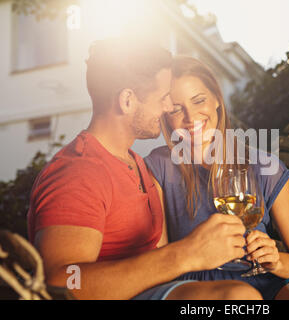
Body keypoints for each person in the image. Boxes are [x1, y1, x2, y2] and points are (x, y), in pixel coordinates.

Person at [26, 38, 264, 300]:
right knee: (237, 299)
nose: (166, 108)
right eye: (163, 98)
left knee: (241, 296)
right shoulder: (78, 174)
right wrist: (185, 254)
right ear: (127, 100)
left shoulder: (135, 163)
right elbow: (61, 281)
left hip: (155, 292)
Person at [145, 56, 289, 300]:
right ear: (165, 115)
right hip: (199, 289)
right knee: (242, 299)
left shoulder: (265, 166)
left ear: (217, 98)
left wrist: (277, 261)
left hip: (267, 282)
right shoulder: (158, 167)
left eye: (199, 100)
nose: (190, 116)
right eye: (176, 109)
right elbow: (159, 262)